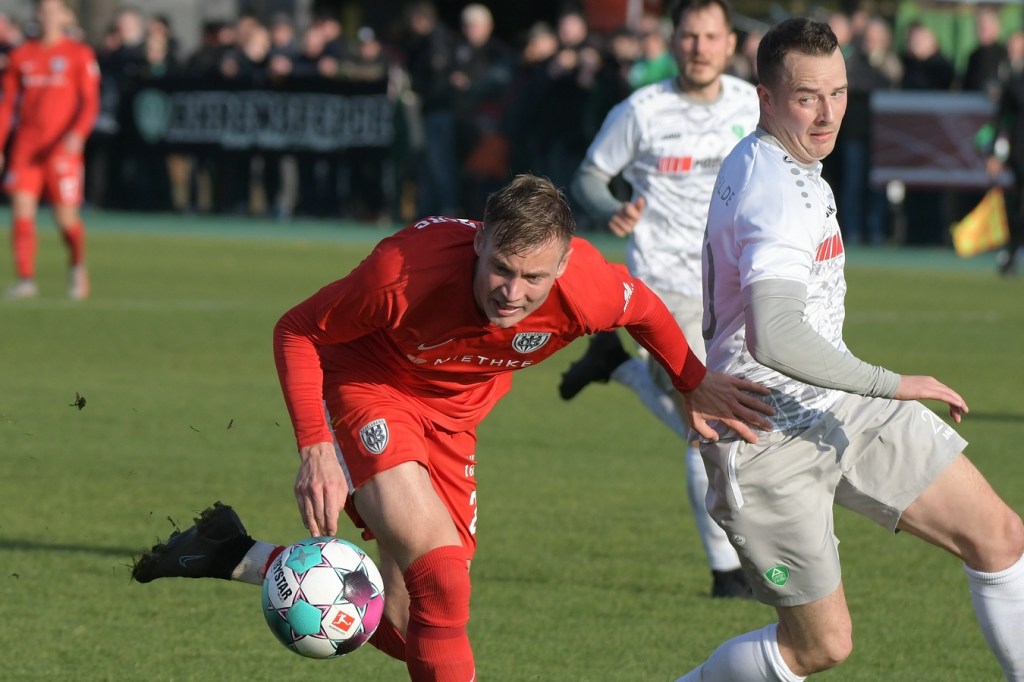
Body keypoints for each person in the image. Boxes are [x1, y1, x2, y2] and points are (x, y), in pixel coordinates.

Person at [132, 174, 776, 681]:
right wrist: (317, 448)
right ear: (479, 242)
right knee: (442, 579)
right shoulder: (401, 273)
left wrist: (692, 381)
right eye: (501, 268)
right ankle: (238, 551)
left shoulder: (587, 288)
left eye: (533, 277)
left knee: (413, 622)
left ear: (561, 266)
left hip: (456, 419)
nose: (512, 292)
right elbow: (297, 330)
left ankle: (234, 554)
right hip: (374, 388)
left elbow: (647, 311)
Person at [675, 18, 1024, 681]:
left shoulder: (783, 158)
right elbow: (775, 335)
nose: (828, 113)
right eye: (807, 97)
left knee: (1000, 537)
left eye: (837, 93)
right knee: (820, 647)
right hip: (764, 433)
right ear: (766, 98)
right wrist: (894, 383)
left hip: (836, 406)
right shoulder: (776, 192)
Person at [558, 0, 759, 599]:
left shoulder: (752, 104)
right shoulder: (641, 110)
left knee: (731, 422)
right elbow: (590, 175)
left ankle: (616, 366)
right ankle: (728, 574)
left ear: (730, 43)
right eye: (689, 36)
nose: (699, 47)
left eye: (710, 36)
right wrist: (611, 208)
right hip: (663, 288)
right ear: (673, 42)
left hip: (737, 284)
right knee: (712, 424)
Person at [0, 0, 99, 300]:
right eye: (43, 11)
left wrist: (77, 134)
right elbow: (7, 106)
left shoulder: (79, 54)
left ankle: (77, 265)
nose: (48, 17)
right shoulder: (21, 55)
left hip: (61, 149)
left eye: (55, 11)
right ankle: (25, 279)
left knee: (66, 219)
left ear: (66, 16)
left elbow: (90, 102)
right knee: (22, 212)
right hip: (27, 147)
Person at [987, 30, 1024, 276]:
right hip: (1020, 150)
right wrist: (997, 154)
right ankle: (1012, 252)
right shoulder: (1014, 79)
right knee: (1018, 203)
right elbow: (1002, 121)